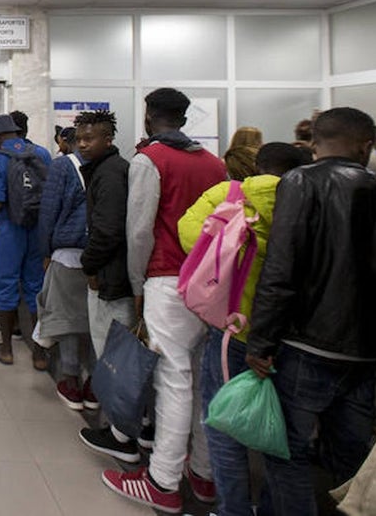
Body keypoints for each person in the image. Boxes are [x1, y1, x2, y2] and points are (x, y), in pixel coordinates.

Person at [245, 108, 376, 516]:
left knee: (287, 451)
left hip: (306, 341)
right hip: (365, 345)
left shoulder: (300, 181)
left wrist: (261, 339)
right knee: (351, 456)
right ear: (366, 145)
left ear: (314, 144)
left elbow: (282, 266)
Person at [102, 88, 226, 513]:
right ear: (185, 118)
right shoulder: (215, 164)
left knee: (172, 380)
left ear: (150, 115)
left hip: (167, 277)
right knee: (203, 380)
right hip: (207, 282)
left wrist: (137, 286)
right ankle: (205, 475)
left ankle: (163, 480)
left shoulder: (150, 160)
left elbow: (139, 231)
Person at [179, 142, 311, 516]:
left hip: (232, 329)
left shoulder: (230, 194)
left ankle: (232, 507)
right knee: (281, 435)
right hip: (290, 334)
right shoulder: (304, 203)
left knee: (222, 425)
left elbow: (189, 235)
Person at [74, 110, 137, 454]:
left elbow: (108, 229)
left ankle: (121, 435)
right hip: (112, 273)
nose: (83, 144)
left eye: (90, 138)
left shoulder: (111, 174)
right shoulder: (105, 169)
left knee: (112, 354)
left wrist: (89, 264)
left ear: (108, 139)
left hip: (111, 278)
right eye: (79, 138)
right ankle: (131, 426)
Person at [0, 112, 51, 367]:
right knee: (35, 286)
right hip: (37, 229)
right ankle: (40, 354)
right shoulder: (42, 154)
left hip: (9, 229)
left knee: (5, 284)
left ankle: (7, 349)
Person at [37, 124, 91, 409]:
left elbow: (49, 211)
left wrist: (45, 251)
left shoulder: (62, 167)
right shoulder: (117, 165)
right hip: (102, 252)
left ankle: (70, 379)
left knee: (67, 317)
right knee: (96, 319)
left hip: (69, 252)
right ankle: (95, 383)